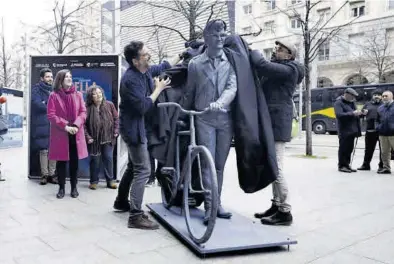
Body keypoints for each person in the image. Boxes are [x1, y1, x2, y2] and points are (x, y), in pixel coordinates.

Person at [113, 40, 182, 230]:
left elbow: (163, 66)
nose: (148, 55)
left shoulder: (144, 71)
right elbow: (143, 106)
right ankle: (135, 216)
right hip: (133, 129)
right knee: (143, 170)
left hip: (135, 126)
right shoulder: (130, 80)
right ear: (135, 61)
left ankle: (120, 201)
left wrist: (182, 54)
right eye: (145, 54)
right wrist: (158, 89)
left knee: (132, 166)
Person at [183, 19, 237, 225]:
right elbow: (190, 91)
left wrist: (220, 102)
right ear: (206, 38)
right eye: (216, 35)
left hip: (224, 119)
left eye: (223, 34)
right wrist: (184, 114)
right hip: (203, 118)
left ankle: (217, 203)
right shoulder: (195, 64)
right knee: (208, 163)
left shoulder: (230, 61)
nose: (221, 38)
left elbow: (232, 87)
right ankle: (209, 206)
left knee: (220, 165)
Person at [250, 40, 305, 226]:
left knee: (277, 167)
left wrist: (252, 50)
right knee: (272, 165)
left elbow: (261, 64)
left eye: (280, 50)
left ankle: (285, 211)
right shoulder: (280, 68)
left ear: (290, 55)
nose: (276, 51)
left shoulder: (290, 69)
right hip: (271, 122)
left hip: (277, 123)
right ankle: (276, 205)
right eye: (276, 48)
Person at [47, 69, 88, 199]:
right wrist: (65, 126)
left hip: (75, 132)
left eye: (70, 76)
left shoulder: (78, 94)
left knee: (74, 162)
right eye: (66, 77)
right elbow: (51, 115)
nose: (70, 79)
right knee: (61, 162)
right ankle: (61, 188)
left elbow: (83, 112)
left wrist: (75, 125)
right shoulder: (53, 95)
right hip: (61, 133)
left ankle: (74, 187)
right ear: (60, 80)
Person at [84, 84, 119, 190]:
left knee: (108, 159)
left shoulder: (109, 105)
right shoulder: (87, 108)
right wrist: (88, 137)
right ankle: (94, 181)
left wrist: (116, 131)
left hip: (108, 138)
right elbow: (83, 125)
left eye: (100, 93)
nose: (98, 95)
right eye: (95, 94)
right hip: (93, 140)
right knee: (95, 160)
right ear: (91, 96)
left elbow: (116, 119)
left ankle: (110, 181)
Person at [31, 68, 57, 185]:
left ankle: (52, 174)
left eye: (51, 77)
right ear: (42, 78)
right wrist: (50, 105)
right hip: (42, 124)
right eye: (47, 77)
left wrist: (45, 103)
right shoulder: (36, 89)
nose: (50, 79)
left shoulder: (55, 90)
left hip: (54, 124)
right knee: (44, 150)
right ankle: (44, 175)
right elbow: (37, 104)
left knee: (53, 150)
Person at [334, 88, 362, 173]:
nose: (353, 98)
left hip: (352, 130)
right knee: (343, 148)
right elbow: (339, 115)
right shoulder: (338, 103)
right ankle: (342, 166)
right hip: (344, 130)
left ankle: (347, 165)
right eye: (352, 96)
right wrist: (352, 113)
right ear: (347, 94)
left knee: (350, 148)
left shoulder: (352, 103)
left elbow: (355, 114)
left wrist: (360, 114)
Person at [358, 90, 383, 172]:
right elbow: (360, 115)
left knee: (382, 149)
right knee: (368, 149)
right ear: (372, 96)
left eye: (378, 95)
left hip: (381, 130)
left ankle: (381, 166)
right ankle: (366, 165)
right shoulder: (367, 104)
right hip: (370, 130)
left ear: (381, 96)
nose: (376, 96)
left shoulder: (384, 105)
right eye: (375, 95)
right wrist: (362, 113)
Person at [376, 90, 394, 174]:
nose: (384, 98)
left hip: (393, 133)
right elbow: (377, 120)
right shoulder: (380, 108)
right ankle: (386, 168)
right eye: (383, 96)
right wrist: (378, 127)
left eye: (386, 96)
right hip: (383, 133)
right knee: (384, 152)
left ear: (391, 96)